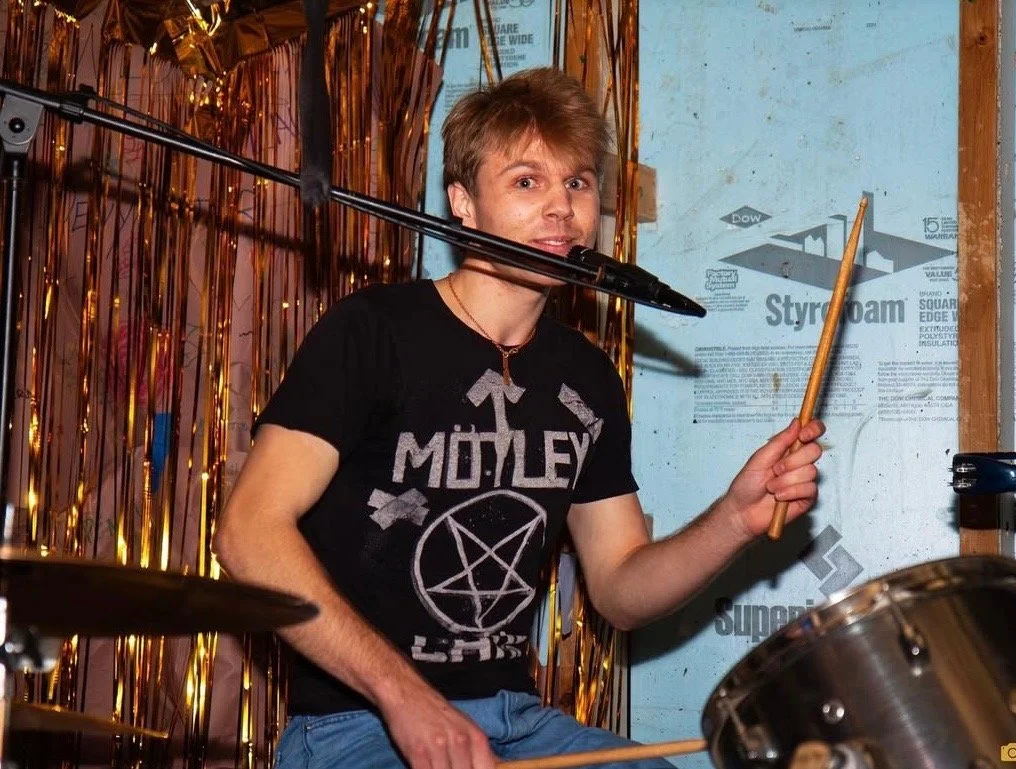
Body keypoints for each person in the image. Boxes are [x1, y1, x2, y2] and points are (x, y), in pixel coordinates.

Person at [213, 67, 825, 769]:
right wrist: (405, 695)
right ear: (462, 203)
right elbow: (248, 532)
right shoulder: (372, 332)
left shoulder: (586, 375)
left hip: (517, 722)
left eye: (578, 182)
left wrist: (735, 519)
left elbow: (621, 588)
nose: (561, 208)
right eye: (527, 181)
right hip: (358, 724)